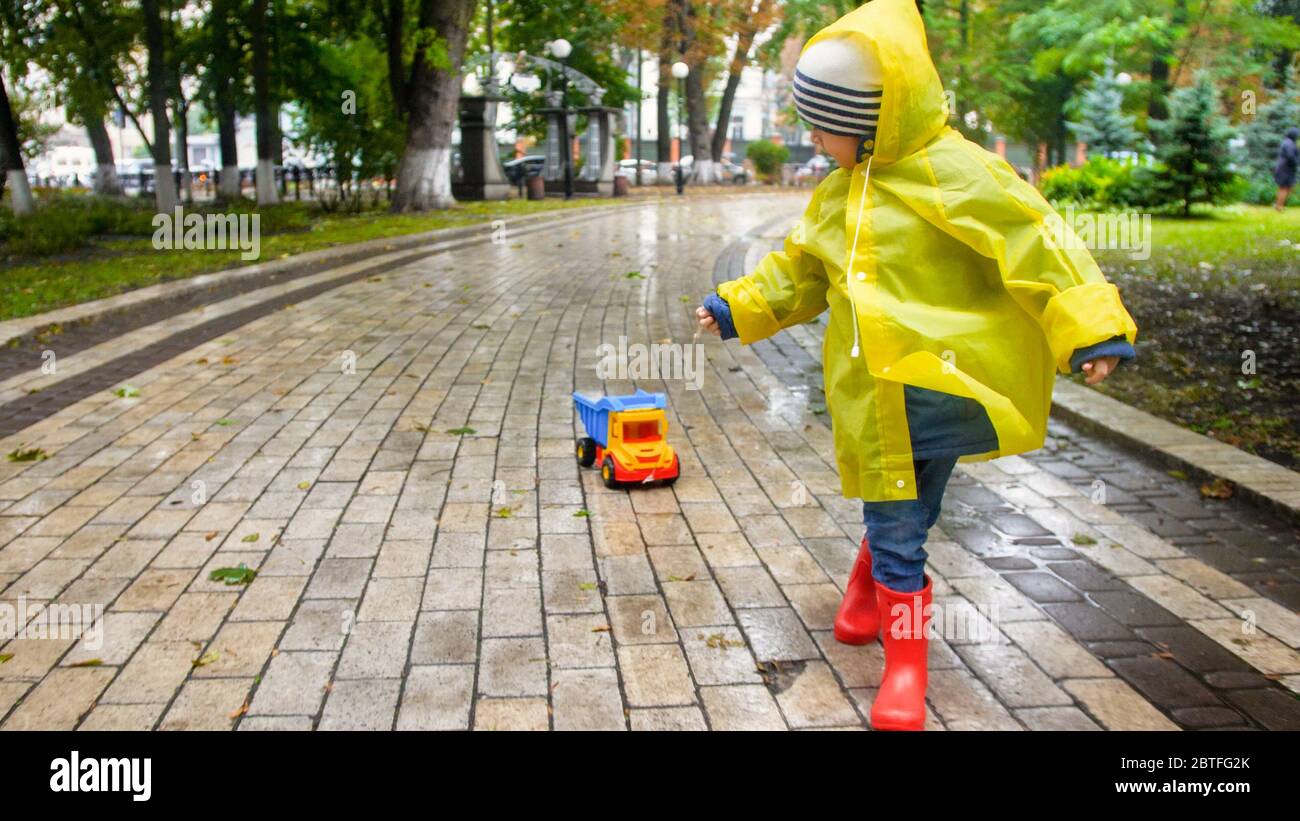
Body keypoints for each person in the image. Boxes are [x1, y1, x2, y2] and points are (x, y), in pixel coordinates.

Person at [695, 0, 1137, 731]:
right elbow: (801, 273)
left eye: (822, 124)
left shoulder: (963, 175)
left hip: (948, 387)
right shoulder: (839, 193)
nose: (812, 138)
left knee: (910, 509)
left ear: (869, 120)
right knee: (902, 519)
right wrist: (740, 303)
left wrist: (1090, 328)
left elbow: (1039, 243)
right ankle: (890, 632)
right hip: (878, 394)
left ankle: (888, 626)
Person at [1274, 126, 1298, 211]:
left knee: (1288, 187)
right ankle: (1279, 206)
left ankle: (1279, 205)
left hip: (1286, 169)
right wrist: (1297, 162)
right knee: (1284, 187)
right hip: (1285, 169)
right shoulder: (1289, 143)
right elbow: (1290, 156)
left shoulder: (1288, 142)